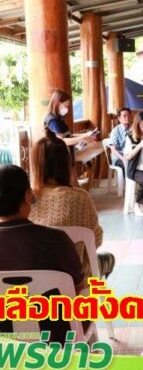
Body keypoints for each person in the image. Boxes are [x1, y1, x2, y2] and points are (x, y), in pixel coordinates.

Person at [0, 165, 84, 344]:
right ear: (27, 195)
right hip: (56, 337)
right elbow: (76, 287)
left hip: (5, 341)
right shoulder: (56, 240)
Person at [29, 129, 115, 285]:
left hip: (33, 282)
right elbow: (96, 239)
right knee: (107, 259)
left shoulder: (25, 200)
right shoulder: (81, 198)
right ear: (67, 163)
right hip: (74, 280)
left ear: (35, 165)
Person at [44, 89, 96, 162]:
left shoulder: (59, 118)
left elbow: (68, 136)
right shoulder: (52, 120)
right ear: (58, 103)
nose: (67, 108)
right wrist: (82, 138)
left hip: (65, 154)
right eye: (65, 105)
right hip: (57, 157)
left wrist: (86, 135)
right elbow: (62, 141)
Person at [106, 107, 132, 176]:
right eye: (124, 116)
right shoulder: (115, 131)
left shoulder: (133, 129)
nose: (127, 117)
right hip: (118, 157)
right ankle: (126, 182)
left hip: (130, 155)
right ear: (119, 119)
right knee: (128, 163)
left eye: (129, 115)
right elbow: (113, 150)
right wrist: (123, 159)